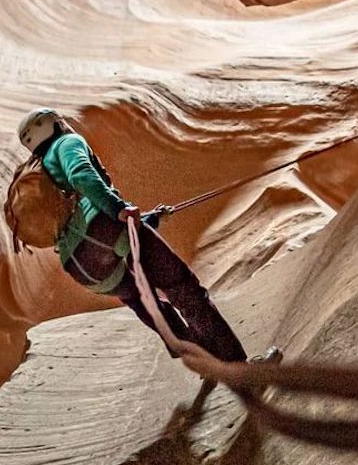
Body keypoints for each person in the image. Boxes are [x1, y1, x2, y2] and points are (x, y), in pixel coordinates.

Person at [16, 107, 252, 364]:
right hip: (105, 230)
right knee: (183, 289)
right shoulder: (66, 143)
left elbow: (85, 223)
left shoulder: (41, 172)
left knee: (146, 305)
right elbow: (82, 176)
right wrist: (118, 209)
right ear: (55, 125)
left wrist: (149, 219)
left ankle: (202, 359)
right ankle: (238, 366)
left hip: (80, 266)